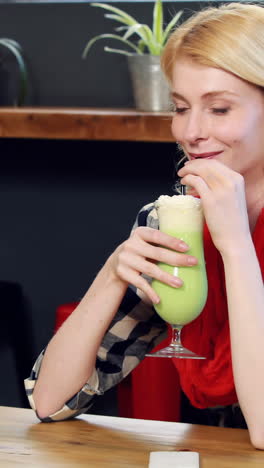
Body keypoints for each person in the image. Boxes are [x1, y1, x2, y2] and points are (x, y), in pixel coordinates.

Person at [25, 2, 264, 448]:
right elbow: (49, 399)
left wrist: (235, 246)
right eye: (180, 107)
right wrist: (113, 272)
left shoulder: (227, 234)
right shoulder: (177, 220)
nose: (191, 132)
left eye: (219, 109)